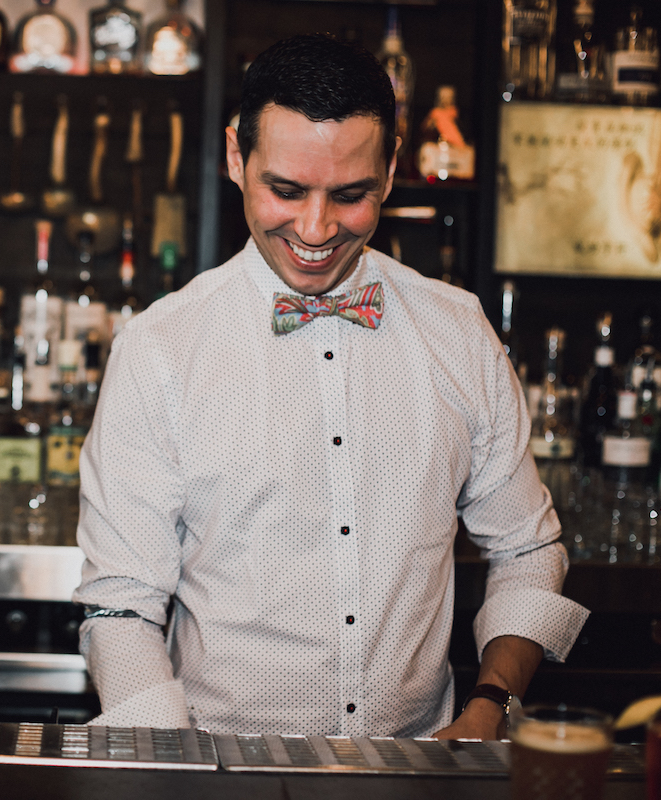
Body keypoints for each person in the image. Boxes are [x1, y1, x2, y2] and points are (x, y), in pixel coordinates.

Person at [72, 34, 589, 739]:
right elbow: (121, 606)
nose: (315, 229)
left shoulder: (459, 332)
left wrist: (489, 703)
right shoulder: (160, 349)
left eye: (350, 196)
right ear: (235, 157)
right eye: (285, 190)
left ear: (391, 168)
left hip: (419, 776)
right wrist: (175, 766)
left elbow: (527, 550)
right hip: (223, 776)